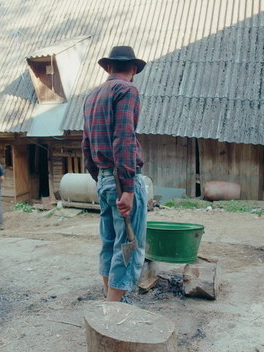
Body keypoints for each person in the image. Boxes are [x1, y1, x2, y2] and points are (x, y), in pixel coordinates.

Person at [82, 46, 148, 302]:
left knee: (110, 241)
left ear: (109, 67)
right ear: (133, 69)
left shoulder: (92, 96)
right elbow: (124, 138)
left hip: (104, 178)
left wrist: (100, 177)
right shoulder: (127, 90)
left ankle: (110, 296)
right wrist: (128, 188)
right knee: (129, 245)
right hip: (122, 180)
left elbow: (85, 143)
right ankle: (112, 309)